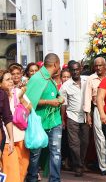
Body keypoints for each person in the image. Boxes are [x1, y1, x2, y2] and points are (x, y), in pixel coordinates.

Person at [25, 53, 64, 182]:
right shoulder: (37, 78)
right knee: (36, 154)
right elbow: (30, 101)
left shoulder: (50, 78)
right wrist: (49, 102)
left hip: (55, 121)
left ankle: (55, 179)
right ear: (55, 64)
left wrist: (59, 99)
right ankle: (32, 178)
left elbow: (53, 94)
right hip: (39, 123)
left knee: (56, 153)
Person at [84, 57, 106, 176]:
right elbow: (87, 97)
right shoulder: (91, 78)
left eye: (100, 65)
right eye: (96, 65)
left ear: (105, 65)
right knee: (100, 139)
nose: (98, 68)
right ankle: (103, 167)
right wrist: (88, 115)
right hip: (98, 109)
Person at [60, 61, 89, 177]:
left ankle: (80, 162)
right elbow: (63, 104)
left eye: (77, 69)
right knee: (74, 143)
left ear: (80, 69)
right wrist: (63, 119)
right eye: (73, 70)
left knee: (85, 142)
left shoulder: (87, 81)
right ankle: (78, 166)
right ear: (70, 71)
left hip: (86, 116)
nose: (75, 71)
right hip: (72, 116)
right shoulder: (65, 86)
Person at [1, 69, 30, 182]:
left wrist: (21, 98)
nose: (11, 81)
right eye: (7, 79)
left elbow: (30, 109)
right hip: (7, 140)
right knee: (11, 174)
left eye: (11, 79)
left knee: (21, 172)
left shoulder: (18, 92)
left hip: (22, 137)